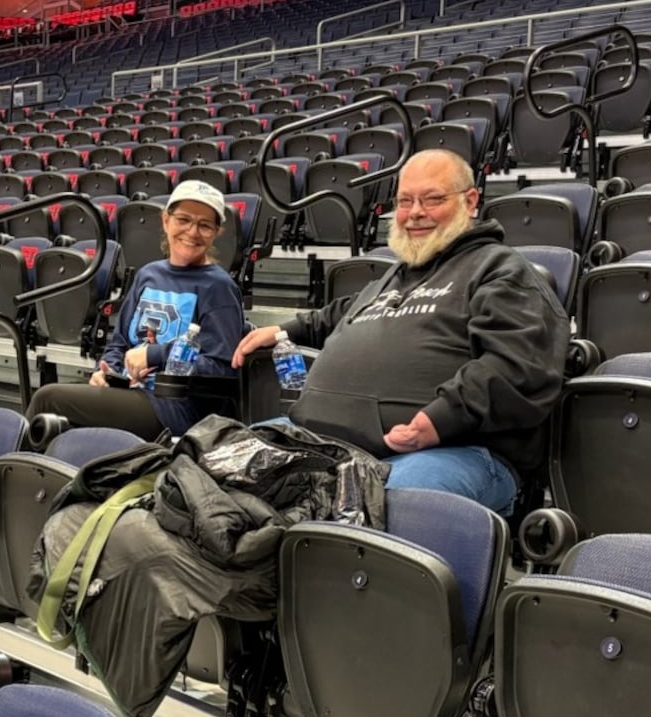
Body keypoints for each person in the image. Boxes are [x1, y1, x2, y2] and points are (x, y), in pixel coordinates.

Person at [232, 149, 568, 514]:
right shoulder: (395, 276)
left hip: (447, 451)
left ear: (471, 201)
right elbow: (339, 314)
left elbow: (520, 363)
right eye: (405, 201)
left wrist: (439, 420)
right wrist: (282, 331)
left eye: (433, 198)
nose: (416, 212)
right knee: (220, 466)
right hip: (318, 439)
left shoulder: (502, 269)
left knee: (375, 506)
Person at [24, 180, 248, 440]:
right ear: (166, 220)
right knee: (58, 424)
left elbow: (223, 369)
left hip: (176, 409)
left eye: (204, 225)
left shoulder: (218, 286)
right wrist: (103, 371)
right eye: (183, 219)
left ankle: (11, 476)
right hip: (130, 392)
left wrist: (156, 355)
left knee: (48, 399)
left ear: (216, 232)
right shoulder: (148, 274)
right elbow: (119, 344)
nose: (193, 231)